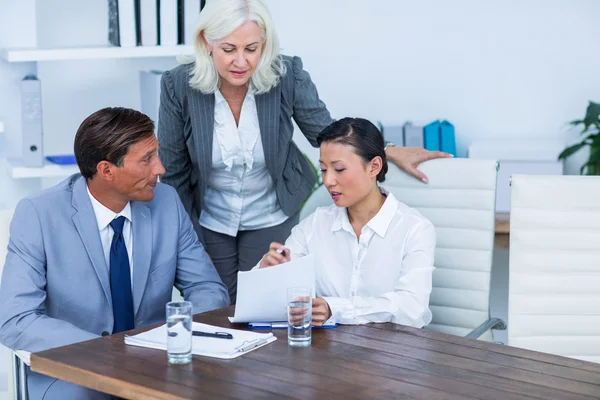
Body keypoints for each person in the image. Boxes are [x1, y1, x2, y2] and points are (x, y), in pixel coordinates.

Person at [157, 0, 450, 303]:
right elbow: (173, 170)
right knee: (216, 305)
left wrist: (386, 150)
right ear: (207, 42)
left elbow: (326, 132)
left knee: (261, 303)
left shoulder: (286, 75)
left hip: (272, 209)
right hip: (209, 214)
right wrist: (187, 236)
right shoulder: (177, 85)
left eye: (252, 49)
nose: (241, 62)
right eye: (229, 49)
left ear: (265, 43)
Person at [0, 107, 229, 400]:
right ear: (106, 170)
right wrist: (107, 353)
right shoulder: (39, 214)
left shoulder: (166, 203)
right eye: (147, 159)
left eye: (155, 155)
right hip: (76, 370)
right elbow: (16, 320)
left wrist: (173, 340)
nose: (160, 169)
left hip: (157, 368)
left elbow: (208, 288)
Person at [258, 118, 436, 328]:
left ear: (374, 167)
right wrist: (269, 271)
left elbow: (411, 309)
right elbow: (268, 297)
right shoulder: (315, 224)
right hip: (326, 352)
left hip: (393, 353)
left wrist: (336, 309)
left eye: (339, 169)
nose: (328, 180)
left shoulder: (414, 229)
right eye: (324, 170)